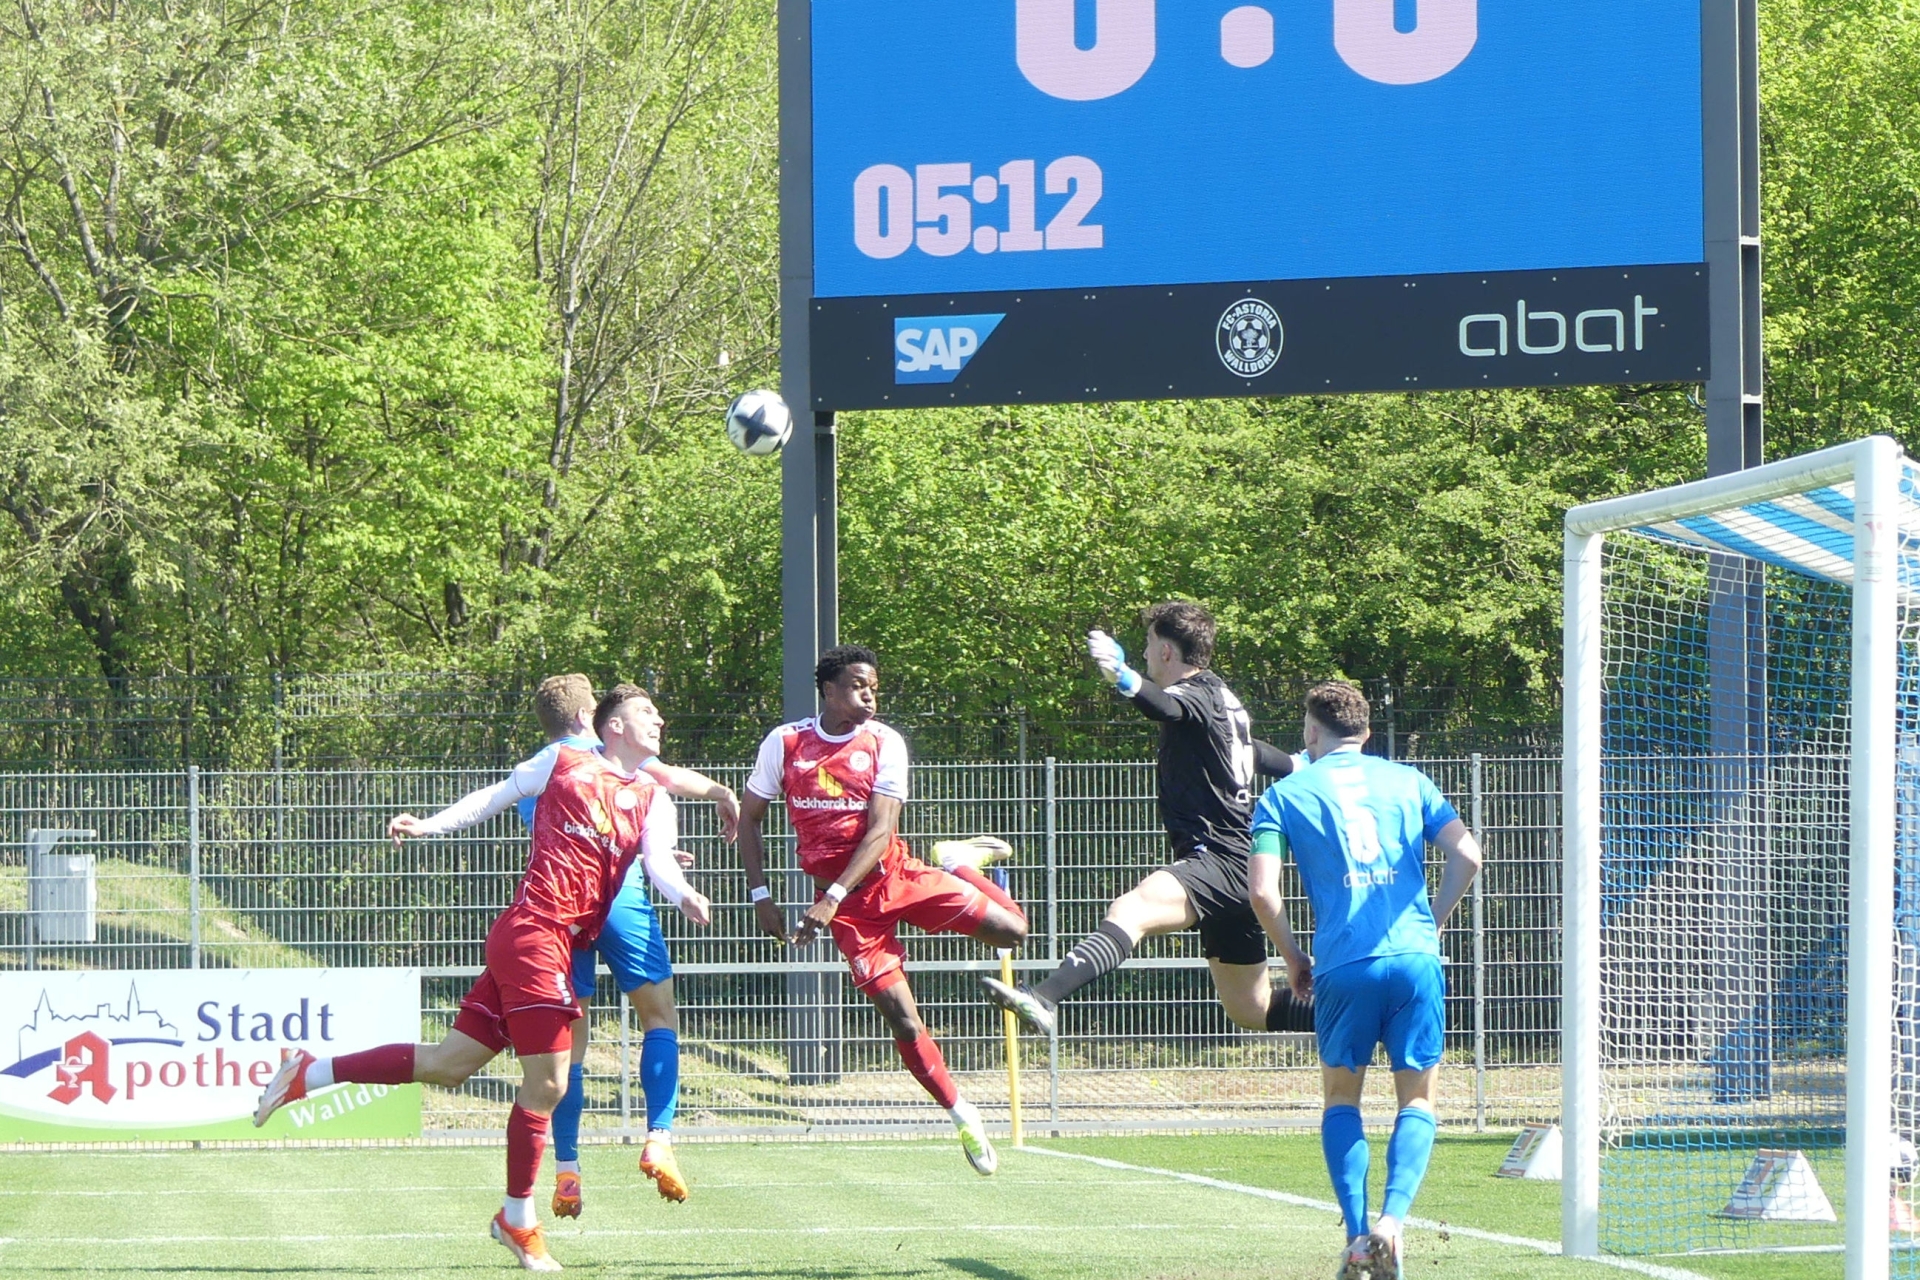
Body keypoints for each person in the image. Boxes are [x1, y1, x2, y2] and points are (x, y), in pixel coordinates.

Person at [254, 685, 708, 1273]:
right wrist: (428, 826)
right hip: (535, 933)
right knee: (548, 1084)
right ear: (612, 724)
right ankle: (518, 1219)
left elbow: (661, 861)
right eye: (648, 711)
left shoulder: (653, 794)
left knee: (449, 1063)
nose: (660, 719)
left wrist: (684, 894)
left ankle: (308, 1073)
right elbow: (492, 797)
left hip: (547, 942)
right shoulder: (564, 761)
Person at [736, 644, 1028, 1175]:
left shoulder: (884, 741)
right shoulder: (786, 743)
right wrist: (760, 895)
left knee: (1014, 931)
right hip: (851, 911)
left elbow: (879, 831)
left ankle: (957, 862)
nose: (868, 694)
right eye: (856, 685)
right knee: (903, 1020)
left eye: (873, 685)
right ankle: (962, 1114)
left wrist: (829, 898)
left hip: (894, 876)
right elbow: (748, 818)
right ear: (827, 689)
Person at [984, 601, 1313, 1037]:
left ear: (1166, 652)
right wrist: (1298, 765)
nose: (1143, 653)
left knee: (1131, 909)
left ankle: (1042, 997)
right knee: (1251, 1009)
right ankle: (1364, 1013)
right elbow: (1250, 751)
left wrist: (1124, 678)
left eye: (1148, 644)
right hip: (1238, 865)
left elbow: (1165, 707)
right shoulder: (1223, 700)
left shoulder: (1193, 696)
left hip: (1217, 858)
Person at [1246, 680, 1482, 1280]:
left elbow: (1262, 893)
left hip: (1344, 966)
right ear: (1367, 733)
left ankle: (1356, 1238)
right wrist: (1433, 922)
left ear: (1310, 732)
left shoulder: (1283, 795)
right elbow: (1470, 855)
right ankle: (1392, 1225)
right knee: (1419, 1100)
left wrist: (1294, 956)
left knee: (1341, 1100)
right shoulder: (1410, 782)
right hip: (1413, 959)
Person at [513, 675, 740, 1215]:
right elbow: (661, 779)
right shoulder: (598, 749)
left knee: (571, 1051)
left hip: (561, 910)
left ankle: (567, 1168)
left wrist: (643, 849)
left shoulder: (539, 768)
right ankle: (659, 1137)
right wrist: (720, 792)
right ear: (586, 719)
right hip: (618, 901)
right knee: (659, 1019)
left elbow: (575, 833)